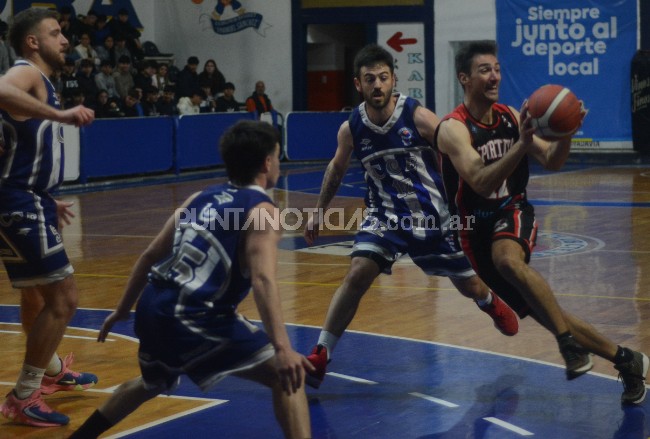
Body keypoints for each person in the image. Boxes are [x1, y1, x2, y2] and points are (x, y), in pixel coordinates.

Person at [69, 120, 313, 439]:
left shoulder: (199, 196)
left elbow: (149, 255)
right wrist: (283, 348)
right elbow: (263, 279)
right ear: (268, 162)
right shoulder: (264, 210)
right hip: (193, 315)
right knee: (287, 377)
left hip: (152, 307)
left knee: (151, 383)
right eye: (278, 156)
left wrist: (122, 309)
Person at [435, 41, 648, 404]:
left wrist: (566, 133)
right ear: (464, 78)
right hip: (473, 230)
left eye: (497, 68)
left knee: (508, 260)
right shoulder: (453, 129)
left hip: (512, 210)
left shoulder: (510, 117)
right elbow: (481, 181)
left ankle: (568, 346)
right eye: (485, 70)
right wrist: (521, 144)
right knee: (546, 312)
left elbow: (551, 161)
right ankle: (627, 360)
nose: (495, 76)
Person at [303, 44, 518, 389]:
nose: (378, 85)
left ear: (394, 80)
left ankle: (489, 301)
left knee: (470, 285)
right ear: (358, 84)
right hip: (385, 218)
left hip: (431, 219)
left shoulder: (418, 117)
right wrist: (318, 213)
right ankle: (321, 354)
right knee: (358, 272)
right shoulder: (351, 128)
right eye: (370, 79)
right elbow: (336, 167)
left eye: (383, 78)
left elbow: (455, 148)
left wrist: (477, 186)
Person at [0, 8, 97, 427]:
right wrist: (60, 115)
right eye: (55, 33)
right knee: (64, 298)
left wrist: (47, 197)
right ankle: (24, 395)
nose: (65, 40)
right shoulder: (27, 75)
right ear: (32, 42)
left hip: (27, 197)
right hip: (19, 200)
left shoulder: (41, 84)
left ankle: (53, 371)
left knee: (36, 296)